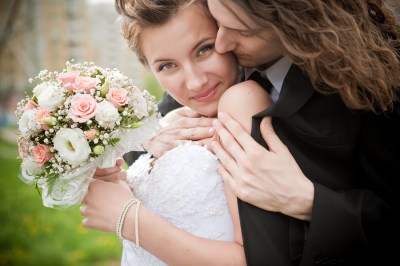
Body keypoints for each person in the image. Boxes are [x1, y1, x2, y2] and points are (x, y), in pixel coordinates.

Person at [205, 0, 400, 265]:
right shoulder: (212, 71)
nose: (221, 44)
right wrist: (158, 136)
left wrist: (307, 199)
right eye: (217, 22)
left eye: (244, 31)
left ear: (296, 22)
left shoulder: (380, 87)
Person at [80, 0, 271, 265]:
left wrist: (126, 217)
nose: (195, 81)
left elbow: (256, 257)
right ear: (149, 68)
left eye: (204, 49)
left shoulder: (242, 103)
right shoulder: (170, 115)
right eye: (167, 66)